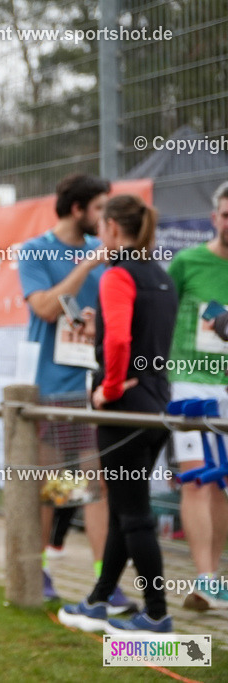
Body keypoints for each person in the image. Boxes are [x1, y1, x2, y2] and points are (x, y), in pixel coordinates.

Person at [58, 195, 177, 634]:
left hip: (124, 409)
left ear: (111, 228)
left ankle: (157, 614)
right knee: (125, 509)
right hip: (156, 404)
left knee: (134, 515)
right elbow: (142, 338)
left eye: (101, 228)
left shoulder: (118, 274)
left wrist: (106, 391)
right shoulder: (160, 276)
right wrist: (99, 331)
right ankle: (98, 599)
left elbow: (122, 343)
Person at [17, 173, 117, 605]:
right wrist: (88, 265)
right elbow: (43, 306)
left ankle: (104, 581)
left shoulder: (106, 252)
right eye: (98, 208)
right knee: (49, 486)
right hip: (50, 389)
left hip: (94, 387)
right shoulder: (35, 250)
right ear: (78, 210)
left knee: (96, 485)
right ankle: (38, 572)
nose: (105, 217)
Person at [167, 180, 228, 611]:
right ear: (214, 218)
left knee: (220, 482)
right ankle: (204, 577)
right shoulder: (186, 263)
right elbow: (159, 315)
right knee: (196, 480)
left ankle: (214, 577)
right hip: (189, 383)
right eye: (226, 216)